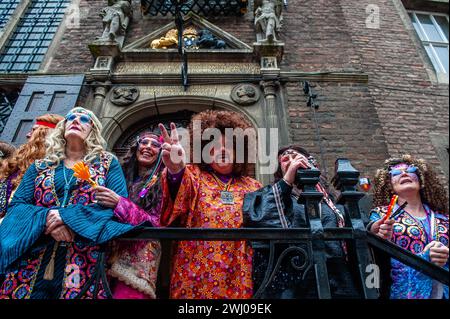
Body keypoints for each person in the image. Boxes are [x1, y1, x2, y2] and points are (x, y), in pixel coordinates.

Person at [0, 107, 134, 299]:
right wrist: (46, 218)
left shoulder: (107, 164)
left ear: (93, 129)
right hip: (32, 254)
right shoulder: (40, 166)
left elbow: (117, 207)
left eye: (84, 119)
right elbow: (17, 206)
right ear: (62, 128)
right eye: (71, 117)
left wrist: (67, 217)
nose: (76, 120)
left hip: (81, 259)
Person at [159, 110, 262, 299]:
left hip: (240, 270)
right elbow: (177, 192)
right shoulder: (194, 175)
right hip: (195, 269)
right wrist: (175, 169)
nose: (222, 150)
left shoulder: (253, 186)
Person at [243, 145, 359, 298]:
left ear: (312, 164)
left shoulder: (330, 202)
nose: (292, 161)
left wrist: (374, 228)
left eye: (297, 157)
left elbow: (357, 230)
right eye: (285, 160)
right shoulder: (273, 195)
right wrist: (287, 181)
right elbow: (261, 219)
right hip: (296, 282)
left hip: (337, 279)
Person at [94, 132, 167, 299]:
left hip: (139, 256)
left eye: (155, 145)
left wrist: (120, 203)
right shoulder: (118, 175)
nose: (148, 146)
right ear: (136, 148)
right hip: (105, 251)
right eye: (144, 142)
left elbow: (157, 222)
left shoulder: (163, 181)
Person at [368, 155, 449, 299]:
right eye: (396, 173)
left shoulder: (443, 217)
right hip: (404, 289)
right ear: (388, 183)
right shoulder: (381, 214)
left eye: (410, 170)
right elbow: (372, 239)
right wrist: (376, 230)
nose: (404, 174)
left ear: (421, 178)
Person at [0, 114, 63, 219]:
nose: (28, 135)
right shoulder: (18, 163)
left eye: (34, 130)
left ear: (44, 137)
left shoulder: (50, 170)